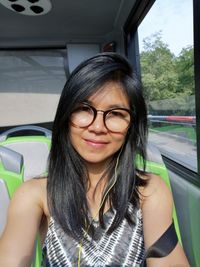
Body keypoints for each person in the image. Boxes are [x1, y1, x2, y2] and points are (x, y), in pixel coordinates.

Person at [0, 52, 190, 267]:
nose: (98, 127)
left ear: (131, 125)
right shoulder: (34, 194)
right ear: (66, 116)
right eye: (83, 109)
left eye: (116, 113)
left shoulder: (149, 189)